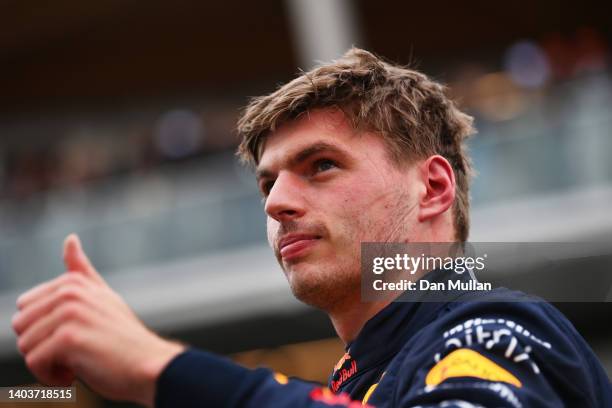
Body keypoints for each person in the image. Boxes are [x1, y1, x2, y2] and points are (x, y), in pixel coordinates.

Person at [11, 48, 612, 407]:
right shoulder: (371, 378)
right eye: (268, 184)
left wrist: (158, 369)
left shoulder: (494, 327)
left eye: (320, 165)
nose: (277, 204)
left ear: (432, 188)